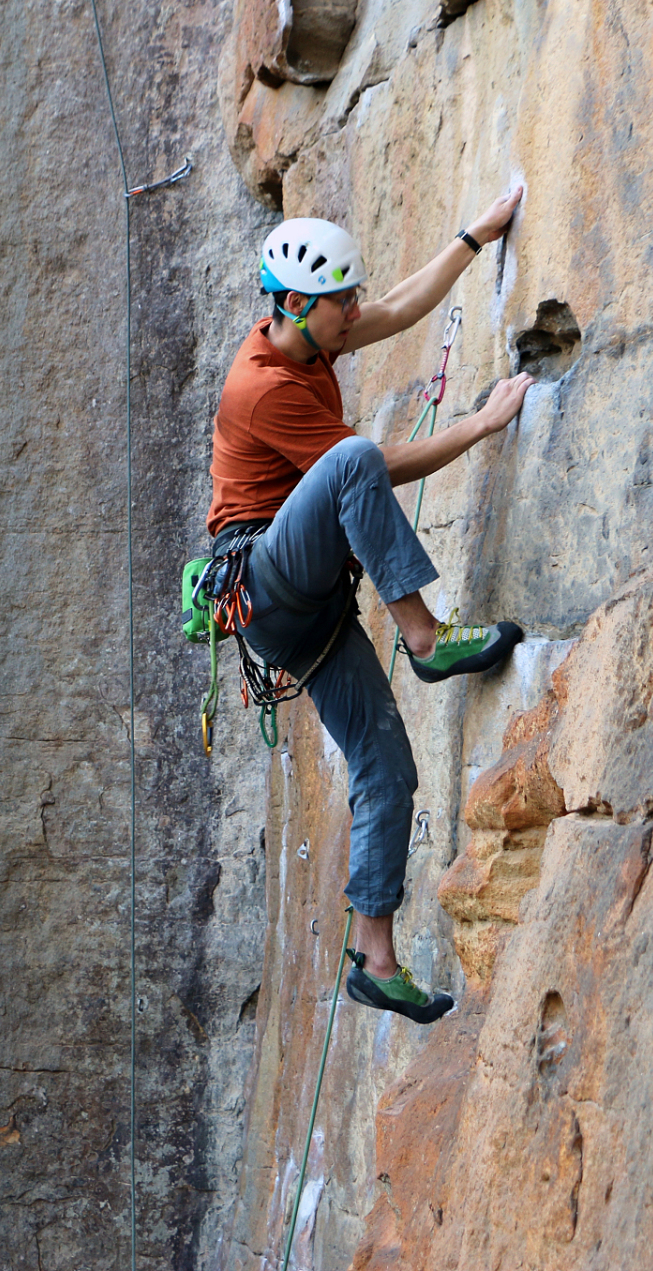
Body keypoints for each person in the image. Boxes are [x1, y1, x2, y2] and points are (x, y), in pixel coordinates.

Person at [207, 191, 533, 1024]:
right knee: (352, 458)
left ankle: (377, 962)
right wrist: (480, 426)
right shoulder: (260, 387)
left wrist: (472, 237)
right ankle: (425, 639)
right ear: (292, 307)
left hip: (306, 605)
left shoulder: (314, 338)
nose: (354, 313)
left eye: (350, 298)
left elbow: (397, 305)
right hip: (268, 581)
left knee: (386, 766)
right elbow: (370, 468)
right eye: (338, 302)